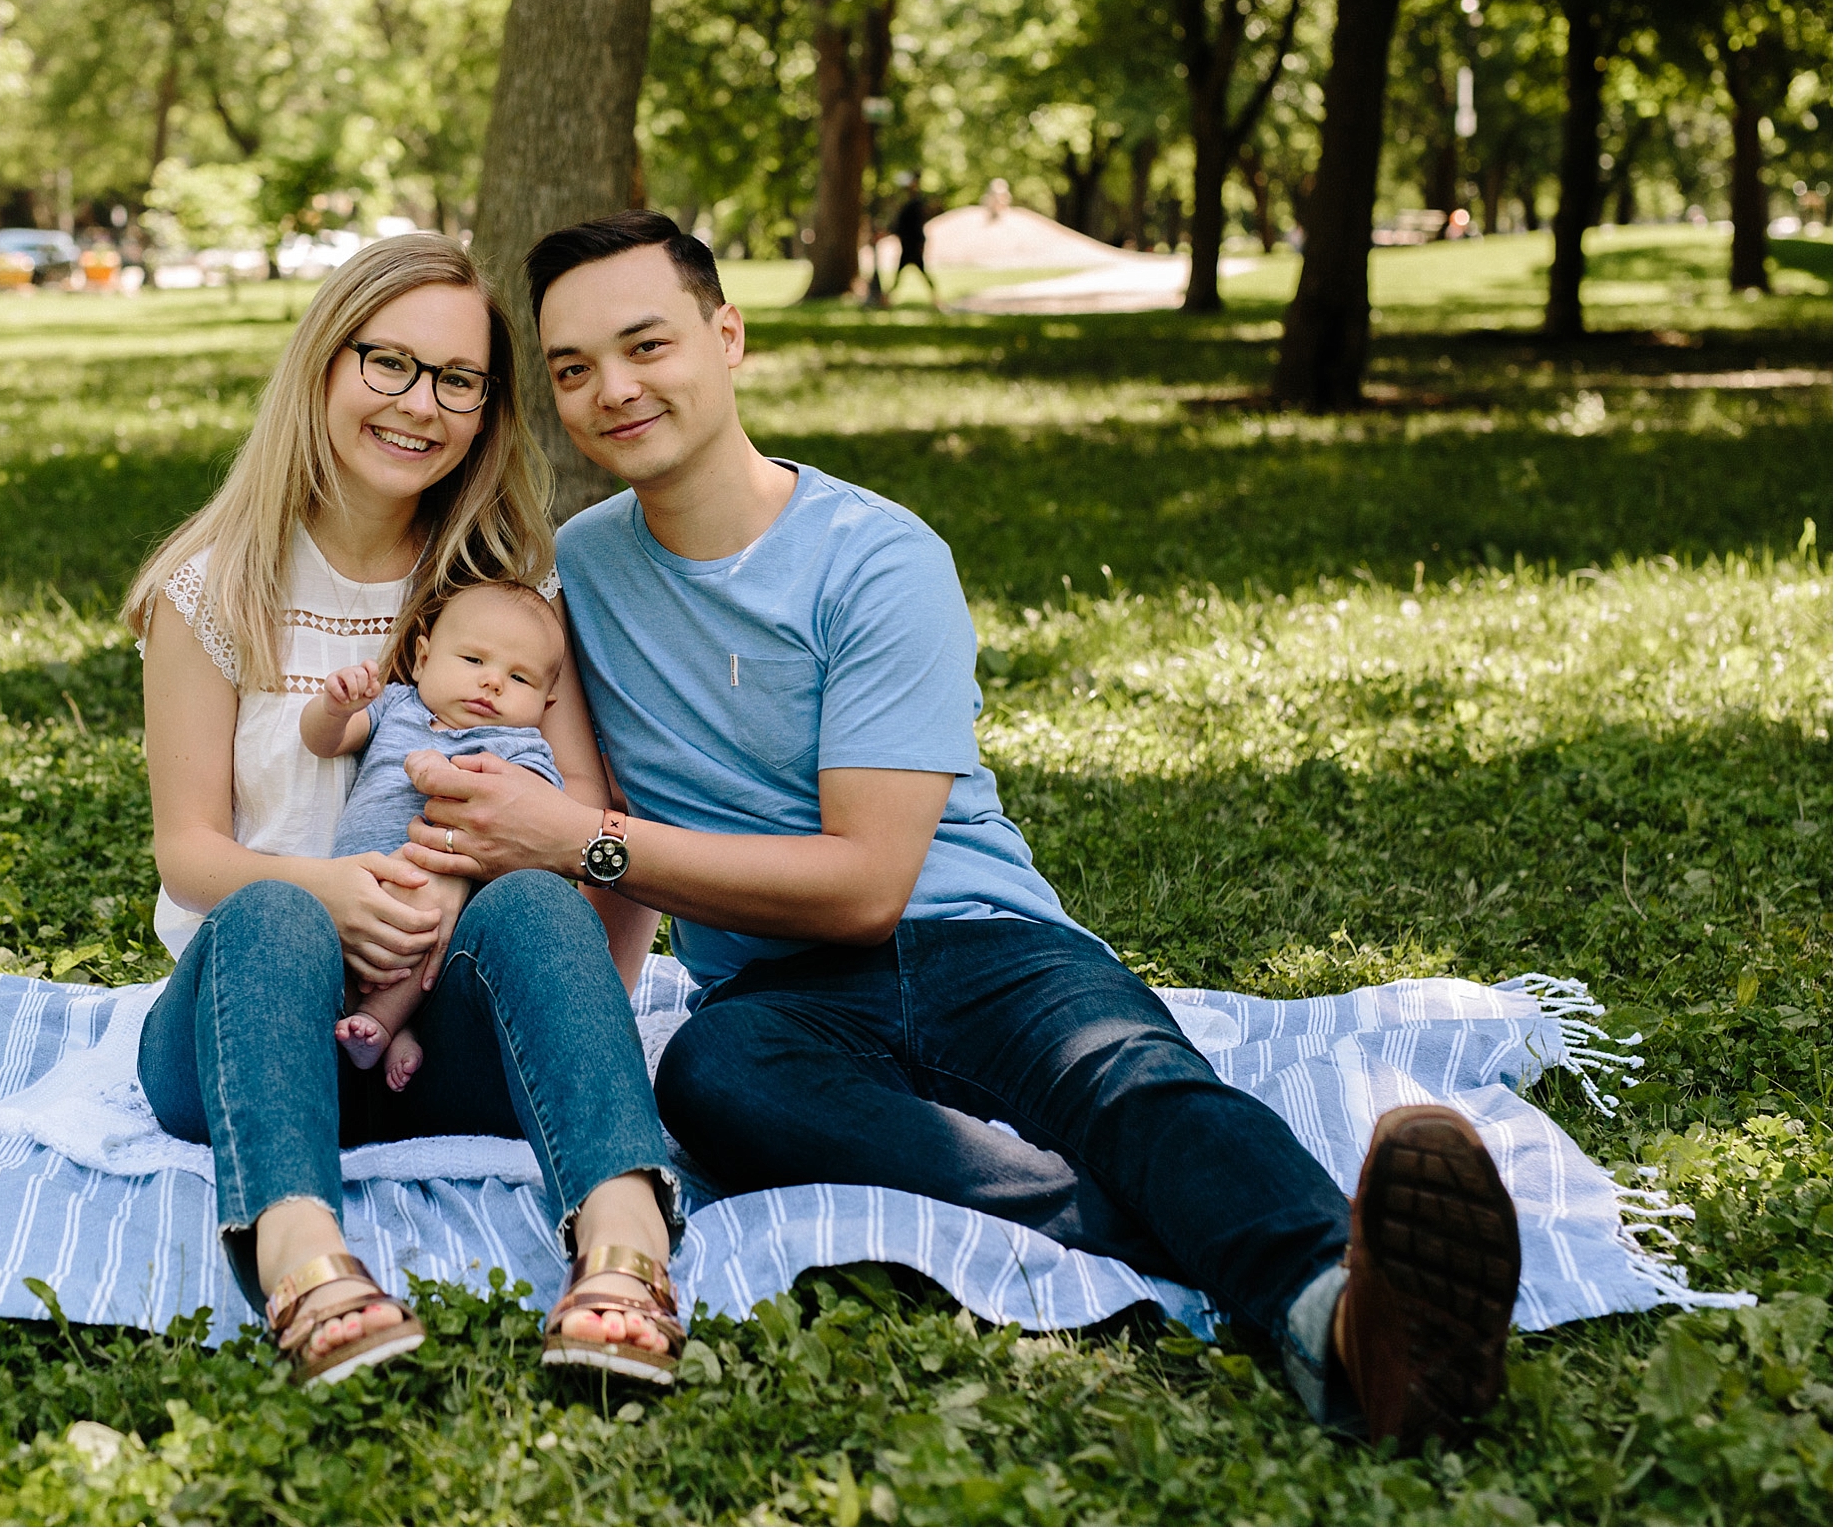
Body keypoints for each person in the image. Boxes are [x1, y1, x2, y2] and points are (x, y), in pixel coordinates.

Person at [406, 214, 1524, 1449]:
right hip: (772, 1000)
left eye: (645, 344)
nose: (612, 389)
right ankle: (1230, 1250)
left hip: (976, 940)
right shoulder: (579, 578)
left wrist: (580, 840)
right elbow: (525, 745)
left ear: (726, 337)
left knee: (1135, 1086)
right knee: (711, 1081)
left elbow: (868, 885)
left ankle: (1347, 1317)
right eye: (571, 368)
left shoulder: (877, 558)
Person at [121, 233, 685, 1392]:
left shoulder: (503, 596)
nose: (418, 403)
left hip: (445, 1031)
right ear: (325, 363)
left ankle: (626, 1249)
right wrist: (330, 888)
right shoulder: (214, 588)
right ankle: (303, 1265)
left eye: (457, 379)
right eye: (387, 362)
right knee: (272, 912)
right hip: (248, 1031)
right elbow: (188, 856)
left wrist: (490, 842)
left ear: (485, 408)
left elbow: (581, 814)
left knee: (532, 890)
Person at [305, 577, 574, 1088]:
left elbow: (539, 816)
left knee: (424, 941)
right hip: (355, 887)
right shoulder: (398, 706)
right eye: (474, 661)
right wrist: (334, 709)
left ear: (547, 700)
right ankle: (389, 1033)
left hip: (436, 894)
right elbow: (325, 742)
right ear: (424, 658)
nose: (492, 682)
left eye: (519, 678)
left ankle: (386, 1020)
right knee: (325, 950)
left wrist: (439, 776)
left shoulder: (522, 749)